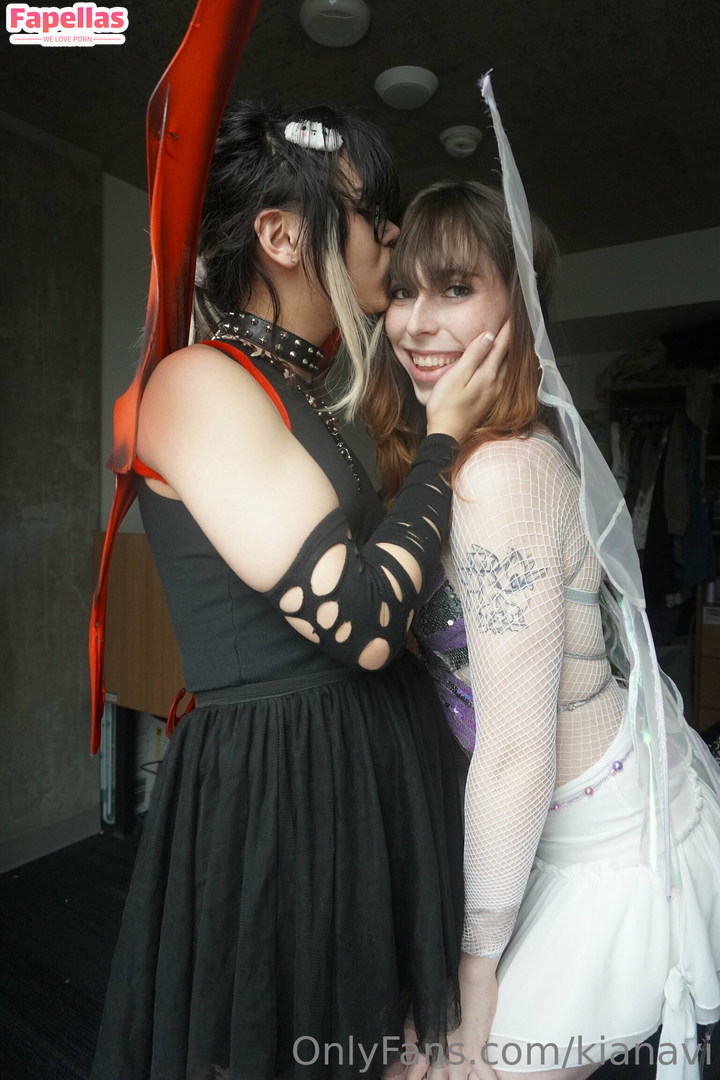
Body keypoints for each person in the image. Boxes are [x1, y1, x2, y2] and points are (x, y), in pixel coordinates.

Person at [90, 103, 508, 1080]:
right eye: (372, 213)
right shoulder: (197, 382)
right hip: (286, 783)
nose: (392, 234)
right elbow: (358, 622)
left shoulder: (309, 390)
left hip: (359, 761)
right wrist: (446, 438)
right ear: (282, 237)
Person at [372, 171, 720, 1080]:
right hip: (543, 826)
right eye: (402, 291)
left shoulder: (501, 475)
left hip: (594, 841)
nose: (416, 323)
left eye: (455, 288)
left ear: (519, 306)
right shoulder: (484, 449)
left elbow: (517, 751)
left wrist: (473, 978)